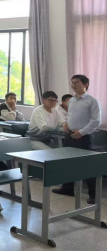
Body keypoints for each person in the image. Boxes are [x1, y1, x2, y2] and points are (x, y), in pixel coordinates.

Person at [53, 75, 102, 204]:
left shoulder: (92, 101)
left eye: (76, 83)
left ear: (85, 84)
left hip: (84, 137)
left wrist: (81, 132)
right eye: (72, 83)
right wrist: (65, 123)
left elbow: (96, 120)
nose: (73, 85)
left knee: (87, 165)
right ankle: (67, 188)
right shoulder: (71, 100)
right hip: (70, 135)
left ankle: (94, 194)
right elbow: (69, 115)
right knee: (68, 162)